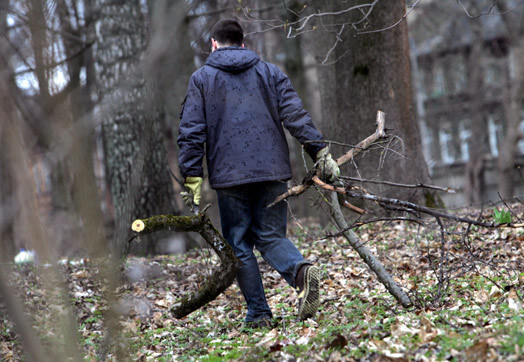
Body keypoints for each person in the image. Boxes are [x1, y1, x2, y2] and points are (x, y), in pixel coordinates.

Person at [177, 19, 339, 327]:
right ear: (242, 42)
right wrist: (320, 152)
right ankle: (301, 272)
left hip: (230, 176)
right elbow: (295, 115)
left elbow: (191, 132)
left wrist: (192, 177)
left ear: (213, 44)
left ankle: (260, 315)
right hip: (272, 170)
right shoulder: (270, 72)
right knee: (270, 235)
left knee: (238, 243)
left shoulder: (201, 79)